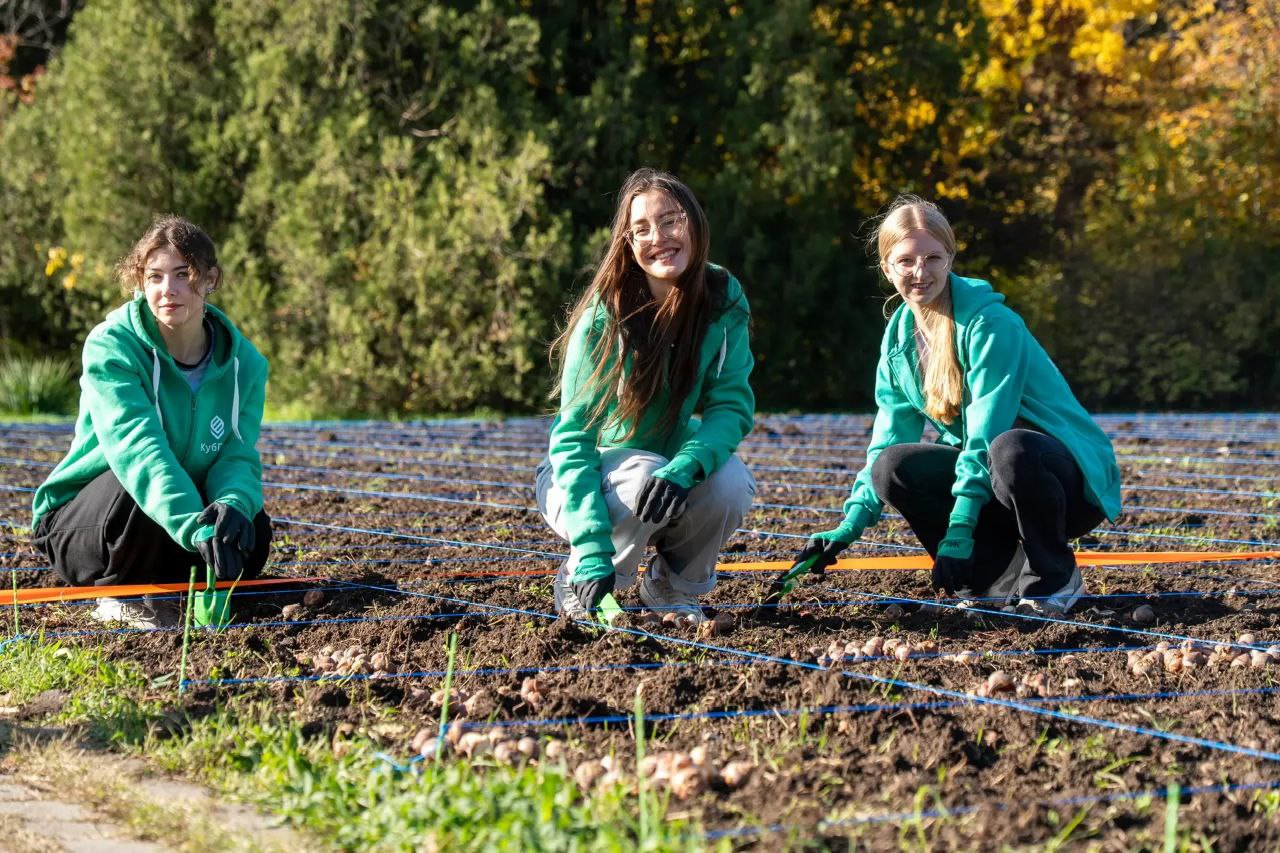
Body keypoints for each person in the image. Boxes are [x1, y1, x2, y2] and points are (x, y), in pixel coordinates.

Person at [793, 196, 1120, 614]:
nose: (920, 272)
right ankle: (993, 578)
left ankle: (1054, 577)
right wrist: (845, 530)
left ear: (950, 258)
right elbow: (887, 438)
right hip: (996, 483)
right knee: (891, 467)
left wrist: (960, 531)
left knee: (1010, 448)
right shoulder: (898, 341)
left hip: (1061, 483)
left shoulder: (989, 325)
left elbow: (985, 436)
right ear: (886, 267)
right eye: (906, 260)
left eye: (933, 258)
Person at [536, 168, 757, 624]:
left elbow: (730, 405)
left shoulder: (722, 297)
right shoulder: (606, 316)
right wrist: (593, 547)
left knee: (730, 481)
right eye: (641, 229)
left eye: (671, 220)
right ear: (628, 243)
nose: (659, 237)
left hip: (663, 464)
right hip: (581, 480)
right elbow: (573, 438)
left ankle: (672, 588)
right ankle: (583, 582)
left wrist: (686, 466)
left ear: (694, 223)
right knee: (642, 472)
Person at [31, 215, 272, 629]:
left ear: (210, 278)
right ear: (140, 281)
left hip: (170, 508)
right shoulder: (112, 348)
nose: (168, 290)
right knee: (135, 498)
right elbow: (140, 452)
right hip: (87, 519)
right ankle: (119, 597)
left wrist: (231, 506)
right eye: (155, 276)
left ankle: (175, 587)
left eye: (184, 274)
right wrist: (194, 529)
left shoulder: (244, 364)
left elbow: (236, 453)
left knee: (250, 527)